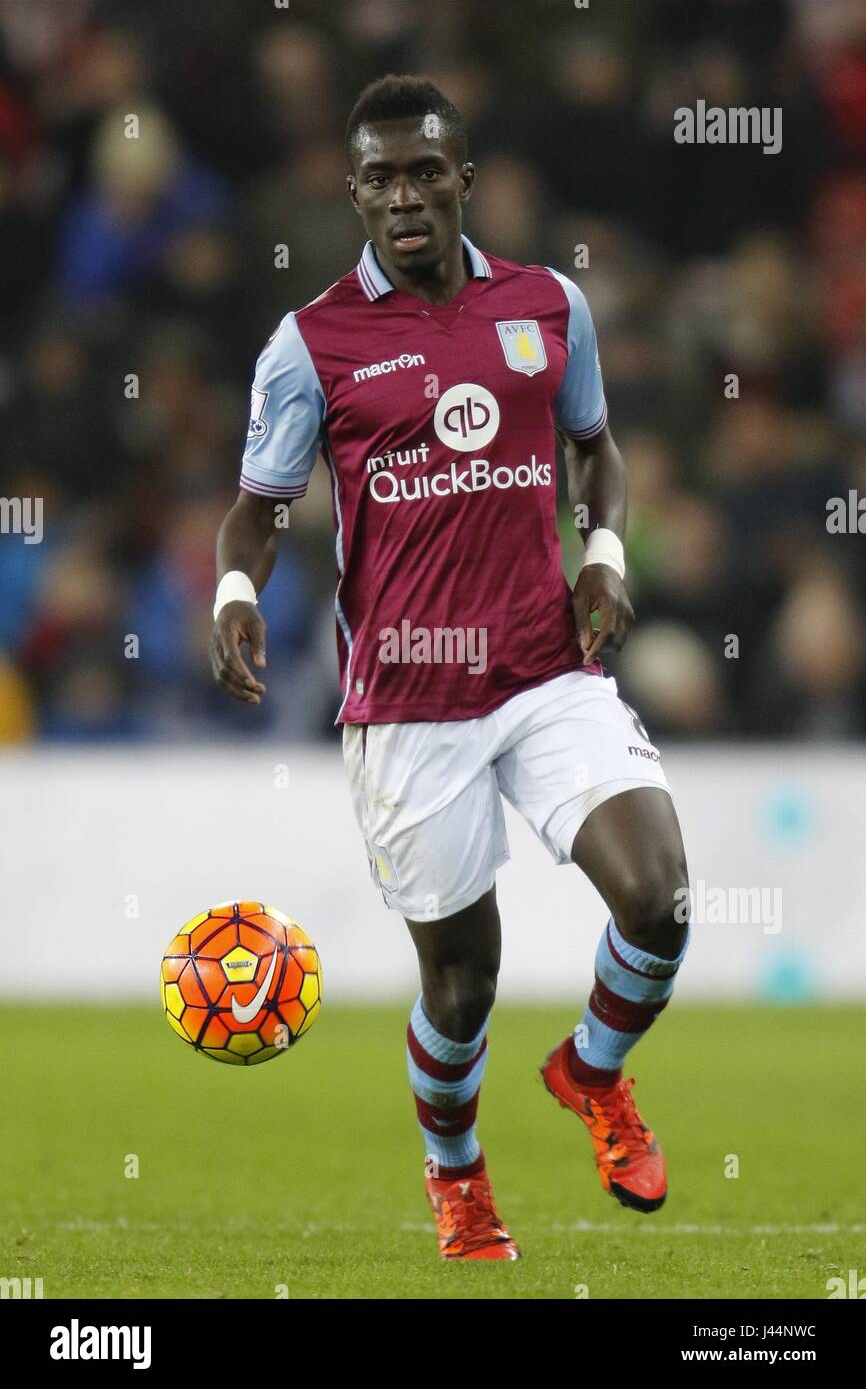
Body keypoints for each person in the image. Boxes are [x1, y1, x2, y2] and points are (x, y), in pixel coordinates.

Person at [210, 75, 690, 1261]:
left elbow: (597, 449)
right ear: (353, 194)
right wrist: (233, 591)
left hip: (543, 668)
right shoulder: (308, 345)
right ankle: (457, 1173)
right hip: (407, 700)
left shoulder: (546, 304)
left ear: (463, 180)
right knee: (462, 986)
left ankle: (591, 1071)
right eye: (379, 178)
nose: (404, 196)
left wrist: (606, 553)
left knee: (659, 896)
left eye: (426, 172)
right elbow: (256, 512)